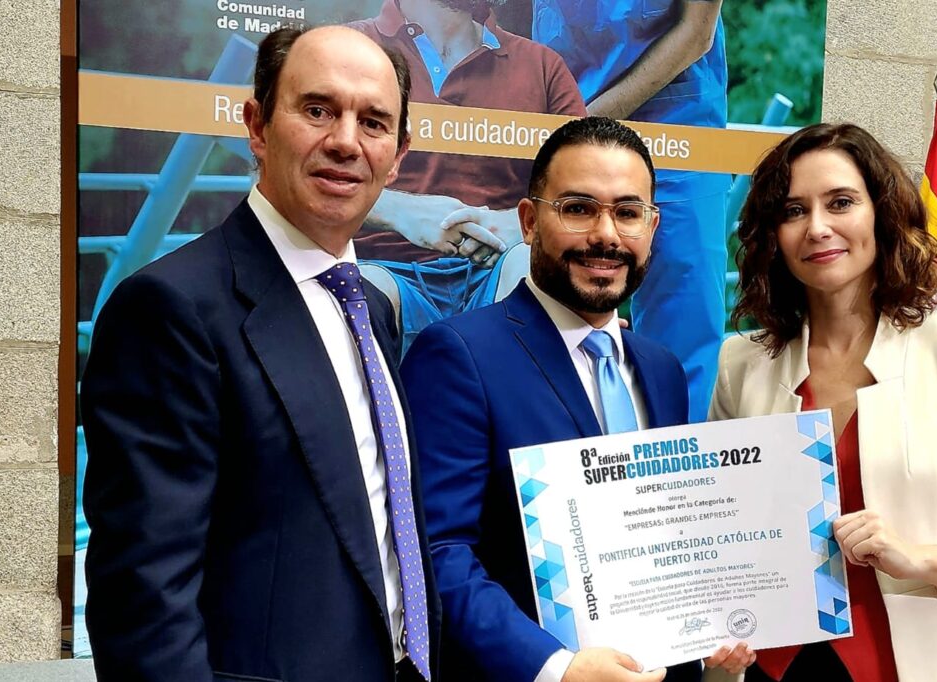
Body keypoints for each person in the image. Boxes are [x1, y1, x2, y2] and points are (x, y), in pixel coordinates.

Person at [80, 25, 440, 681]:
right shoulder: (171, 310)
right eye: (317, 109)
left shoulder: (374, 308)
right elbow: (144, 603)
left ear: (398, 154)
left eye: (374, 122)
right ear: (256, 125)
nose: (344, 142)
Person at [705, 123, 937, 681]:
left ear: (882, 213)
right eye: (793, 210)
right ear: (773, 234)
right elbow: (718, 531)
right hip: (768, 668)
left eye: (840, 202)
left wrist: (917, 557)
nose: (817, 227)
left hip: (914, 666)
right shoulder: (741, 363)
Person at [399, 116, 700, 682]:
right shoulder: (459, 355)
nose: (606, 235)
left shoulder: (663, 372)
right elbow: (439, 552)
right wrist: (557, 669)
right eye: (579, 208)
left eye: (628, 212)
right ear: (530, 221)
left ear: (652, 226)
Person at [349, 0, 586, 353]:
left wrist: (521, 225)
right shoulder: (348, 47)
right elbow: (288, 176)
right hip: (383, 269)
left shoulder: (542, 65)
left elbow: (587, 192)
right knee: (352, 299)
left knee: (534, 276)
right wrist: (401, 213)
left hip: (504, 269)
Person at [533, 0, 729, 421]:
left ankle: (682, 479)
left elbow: (697, 33)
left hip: (678, 126)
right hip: (558, 113)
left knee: (685, 320)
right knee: (546, 315)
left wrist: (579, 130)